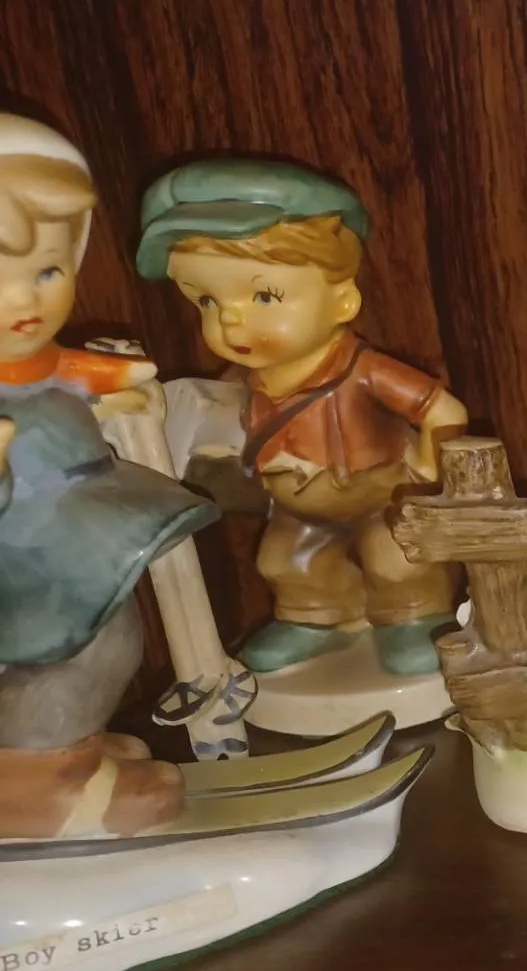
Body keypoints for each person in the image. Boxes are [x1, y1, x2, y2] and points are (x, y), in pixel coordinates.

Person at [137, 160, 467, 676]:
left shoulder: (366, 372)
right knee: (285, 563)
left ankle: (414, 616)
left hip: (380, 495)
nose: (230, 321)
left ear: (343, 300)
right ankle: (320, 618)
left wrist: (427, 477)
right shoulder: (245, 378)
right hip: (298, 506)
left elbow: (443, 411)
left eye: (264, 296)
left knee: (399, 560)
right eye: (206, 300)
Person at [0, 113, 216, 838]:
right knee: (77, 654)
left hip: (71, 542)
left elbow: (66, 369)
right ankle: (40, 785)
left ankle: (61, 750)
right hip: (25, 567)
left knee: (109, 640)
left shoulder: (33, 363)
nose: (25, 301)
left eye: (48, 272)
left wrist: (117, 377)